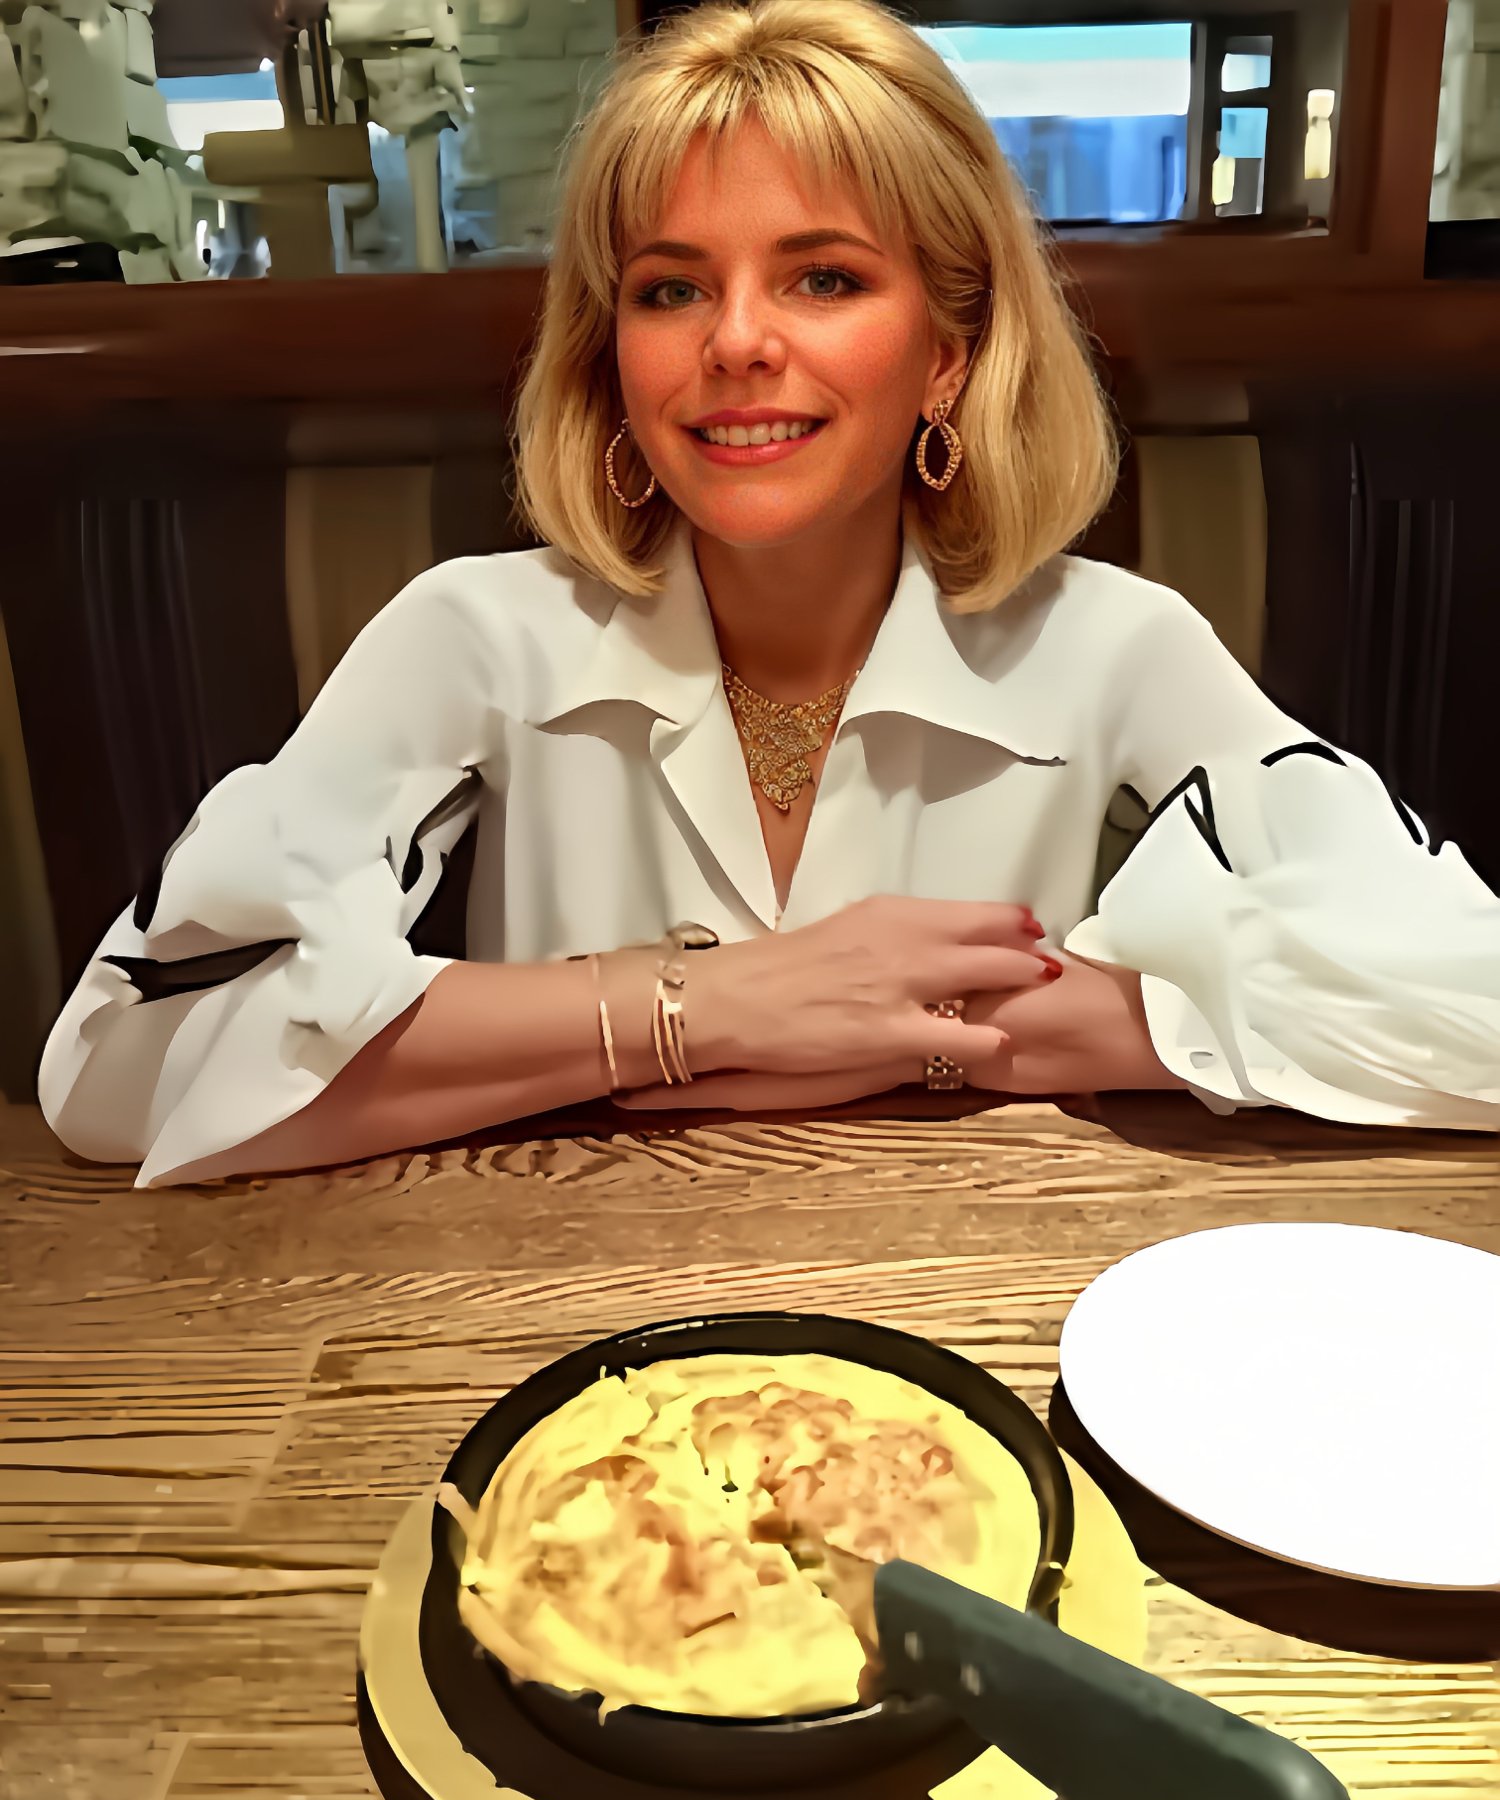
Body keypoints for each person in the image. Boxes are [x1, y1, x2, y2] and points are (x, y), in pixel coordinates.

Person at [37, 0, 1500, 1189]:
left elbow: (1472, 1008)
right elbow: (112, 1064)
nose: (735, 342)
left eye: (821, 279)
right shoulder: (471, 638)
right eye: (671, 289)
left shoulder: (1114, 644)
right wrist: (693, 1013)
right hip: (543, 1336)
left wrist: (948, 1039)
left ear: (948, 351)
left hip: (968, 1315)